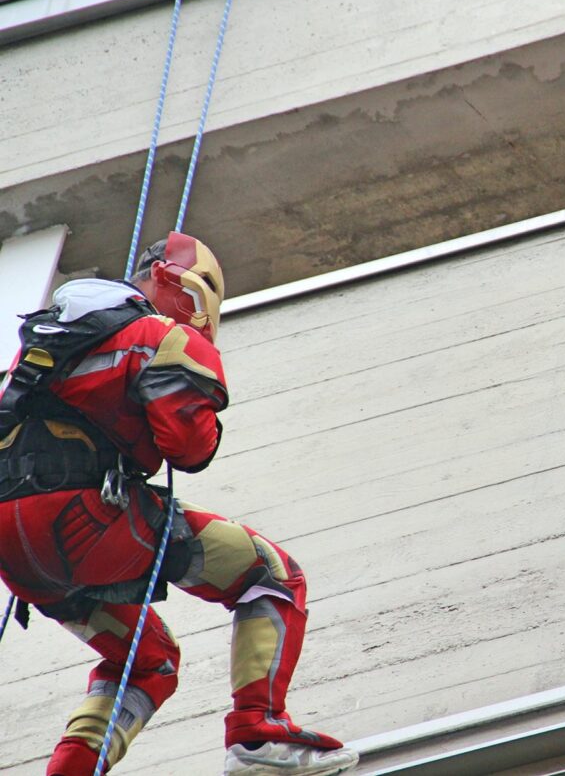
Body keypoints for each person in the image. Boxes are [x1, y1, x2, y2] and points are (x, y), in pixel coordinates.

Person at [0, 233, 358, 775]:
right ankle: (258, 737)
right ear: (185, 290)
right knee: (270, 575)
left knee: (147, 661)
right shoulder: (158, 335)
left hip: (17, 556)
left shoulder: (38, 350)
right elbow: (188, 448)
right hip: (88, 523)